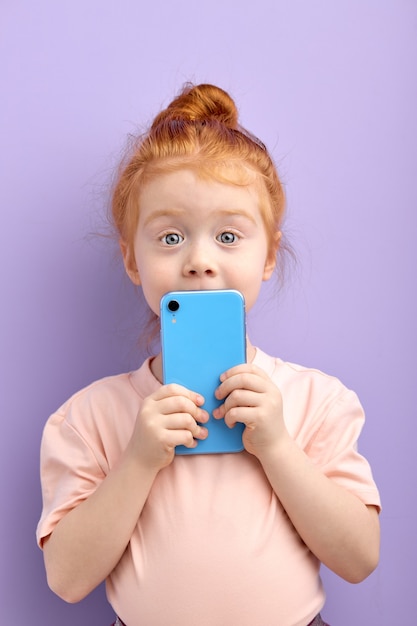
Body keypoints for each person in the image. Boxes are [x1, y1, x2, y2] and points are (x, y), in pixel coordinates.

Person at [37, 83, 381, 626]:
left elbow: (360, 558)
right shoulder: (88, 418)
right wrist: (139, 460)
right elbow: (67, 579)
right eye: (170, 237)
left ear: (268, 255)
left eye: (228, 235)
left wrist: (277, 447)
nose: (199, 260)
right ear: (132, 260)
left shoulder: (318, 400)